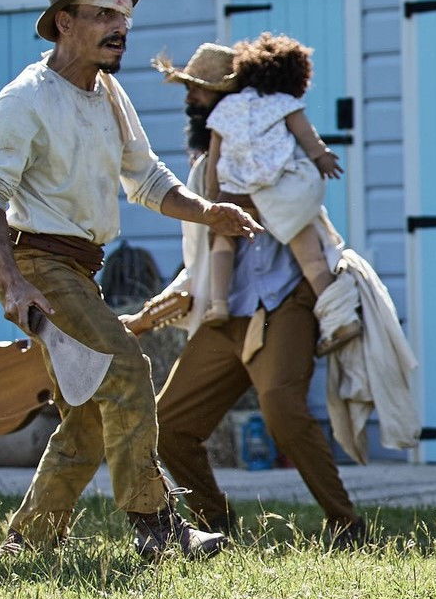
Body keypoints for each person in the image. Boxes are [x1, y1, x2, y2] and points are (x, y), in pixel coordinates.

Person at [0, 0, 260, 560]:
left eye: (124, 16)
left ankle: (26, 543)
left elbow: (147, 179)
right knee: (128, 370)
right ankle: (157, 528)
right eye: (103, 14)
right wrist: (12, 283)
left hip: (77, 269)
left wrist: (209, 212)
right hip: (37, 268)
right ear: (63, 22)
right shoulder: (25, 98)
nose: (119, 27)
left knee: (87, 415)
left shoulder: (109, 94)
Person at [143, 42, 368, 548]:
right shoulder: (206, 163)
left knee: (282, 409)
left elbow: (304, 192)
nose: (194, 99)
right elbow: (205, 242)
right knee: (170, 422)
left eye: (203, 91)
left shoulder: (279, 144)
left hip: (287, 297)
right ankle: (213, 524)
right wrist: (182, 292)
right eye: (192, 90)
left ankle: (346, 524)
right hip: (229, 305)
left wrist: (255, 192)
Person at [200, 34, 359, 355]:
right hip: (278, 190)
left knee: (223, 240)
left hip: (237, 192)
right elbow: (306, 136)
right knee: (310, 255)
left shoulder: (226, 108)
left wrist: (211, 198)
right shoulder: (285, 104)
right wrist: (323, 157)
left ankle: (218, 304)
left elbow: (214, 158)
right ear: (294, 77)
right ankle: (339, 320)